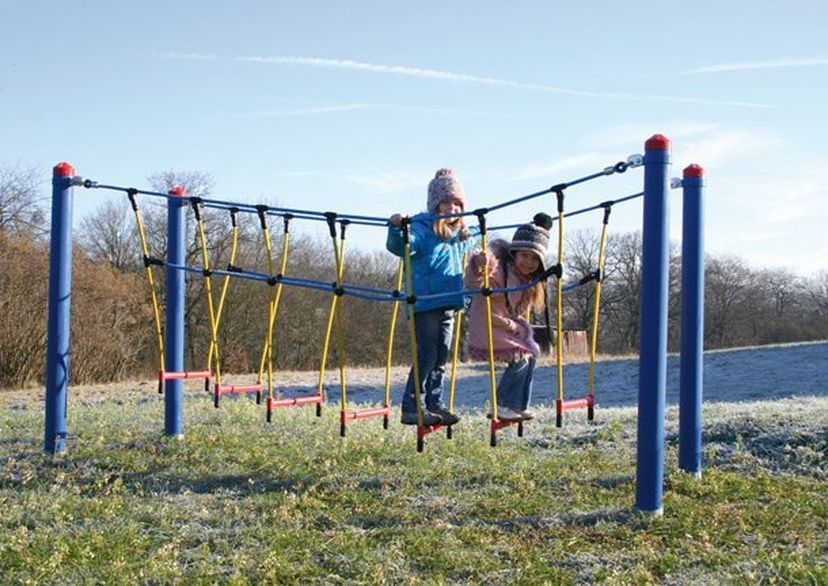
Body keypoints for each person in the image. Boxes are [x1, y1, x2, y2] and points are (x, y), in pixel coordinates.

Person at [387, 168, 481, 426]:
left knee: (441, 356)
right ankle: (411, 405)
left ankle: (434, 403)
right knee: (426, 355)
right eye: (447, 203)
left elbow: (476, 236)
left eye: (458, 204)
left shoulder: (459, 234)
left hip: (449, 302)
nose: (453, 208)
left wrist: (481, 226)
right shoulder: (422, 228)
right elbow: (401, 246)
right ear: (436, 206)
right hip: (425, 303)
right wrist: (396, 227)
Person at [464, 213, 553, 421]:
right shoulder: (500, 269)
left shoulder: (528, 281)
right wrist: (480, 264)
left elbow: (516, 310)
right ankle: (503, 404)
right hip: (487, 324)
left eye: (534, 259)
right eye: (524, 256)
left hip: (504, 325)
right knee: (521, 359)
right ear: (514, 253)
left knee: (532, 354)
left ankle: (518, 405)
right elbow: (473, 281)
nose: (528, 263)